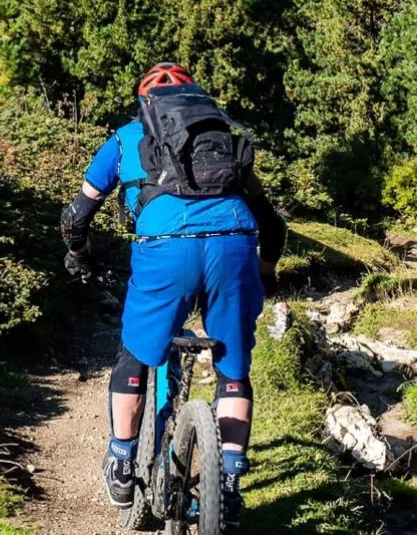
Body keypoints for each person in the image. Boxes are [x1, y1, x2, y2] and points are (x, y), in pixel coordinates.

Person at [60, 62, 287, 531]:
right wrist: (265, 272)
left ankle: (122, 460)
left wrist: (79, 255)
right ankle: (228, 482)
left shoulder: (125, 139)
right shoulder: (225, 138)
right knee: (233, 369)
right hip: (235, 245)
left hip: (165, 249)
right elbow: (273, 225)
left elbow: (76, 215)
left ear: (146, 104)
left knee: (136, 354)